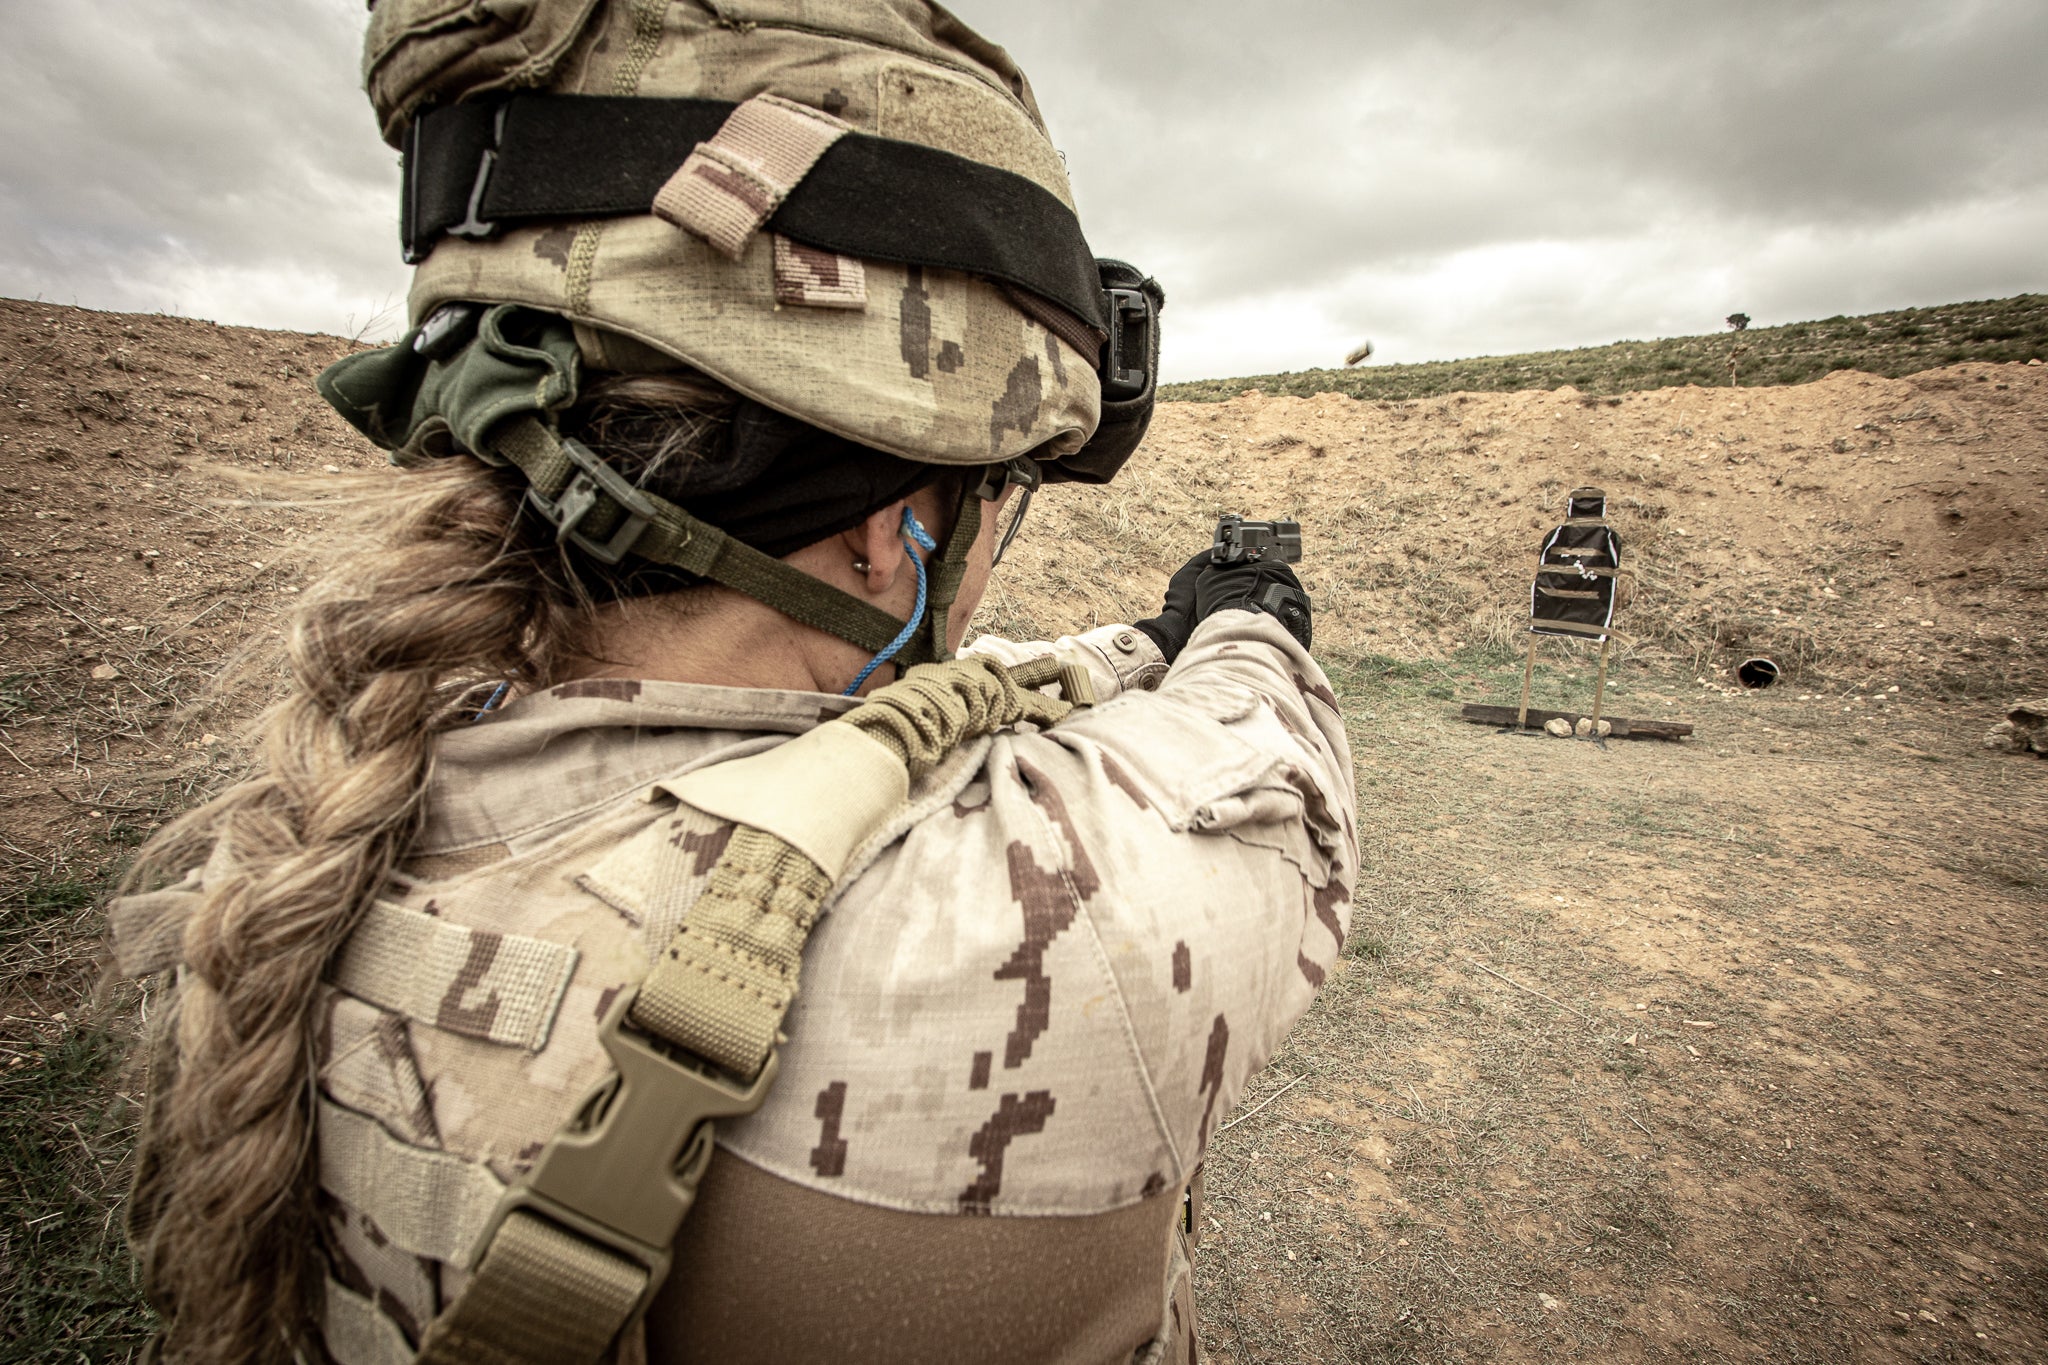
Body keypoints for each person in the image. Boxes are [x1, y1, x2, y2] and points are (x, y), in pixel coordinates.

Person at [109, 4, 1358, 1362]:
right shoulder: (1038, 922)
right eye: (995, 499)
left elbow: (934, 716)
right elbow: (1275, 768)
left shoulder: (317, 828)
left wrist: (1127, 642)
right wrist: (1248, 619)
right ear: (892, 536)